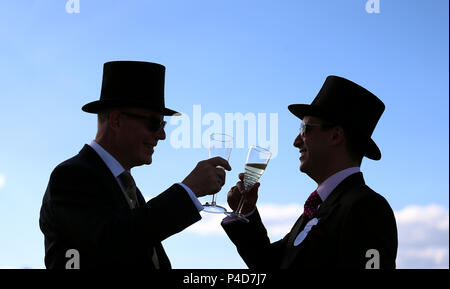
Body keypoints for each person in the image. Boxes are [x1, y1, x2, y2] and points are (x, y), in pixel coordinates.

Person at [39, 61, 231, 269]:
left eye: (163, 124)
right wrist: (188, 190)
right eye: (154, 123)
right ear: (116, 121)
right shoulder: (72, 176)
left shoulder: (128, 189)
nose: (162, 135)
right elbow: (112, 242)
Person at [222, 75, 398, 269]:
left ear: (335, 135)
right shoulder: (317, 209)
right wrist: (246, 211)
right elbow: (270, 265)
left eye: (305, 129)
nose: (296, 141)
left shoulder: (368, 207)